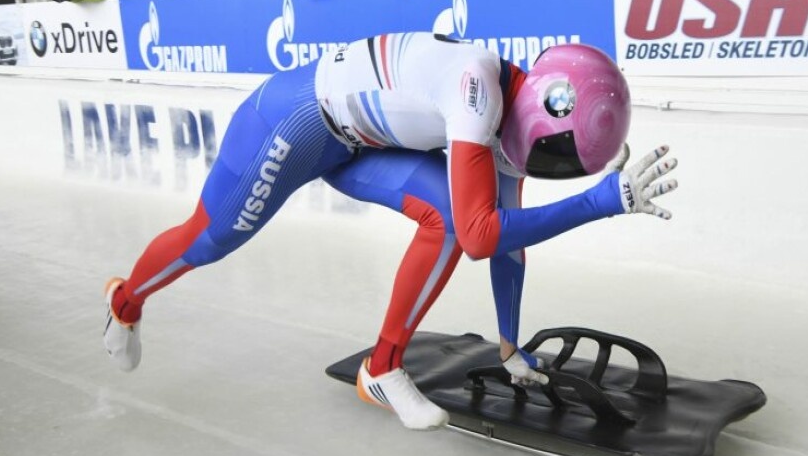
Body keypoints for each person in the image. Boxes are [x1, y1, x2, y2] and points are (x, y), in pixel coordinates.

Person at [102, 35, 678, 431]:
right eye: (551, 156)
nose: (538, 168)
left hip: (355, 144)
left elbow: (508, 246)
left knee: (450, 218)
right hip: (290, 121)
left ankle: (381, 368)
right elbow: (486, 237)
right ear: (544, 111)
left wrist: (510, 346)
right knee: (210, 239)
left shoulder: (515, 109)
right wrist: (602, 201)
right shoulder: (474, 93)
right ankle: (126, 301)